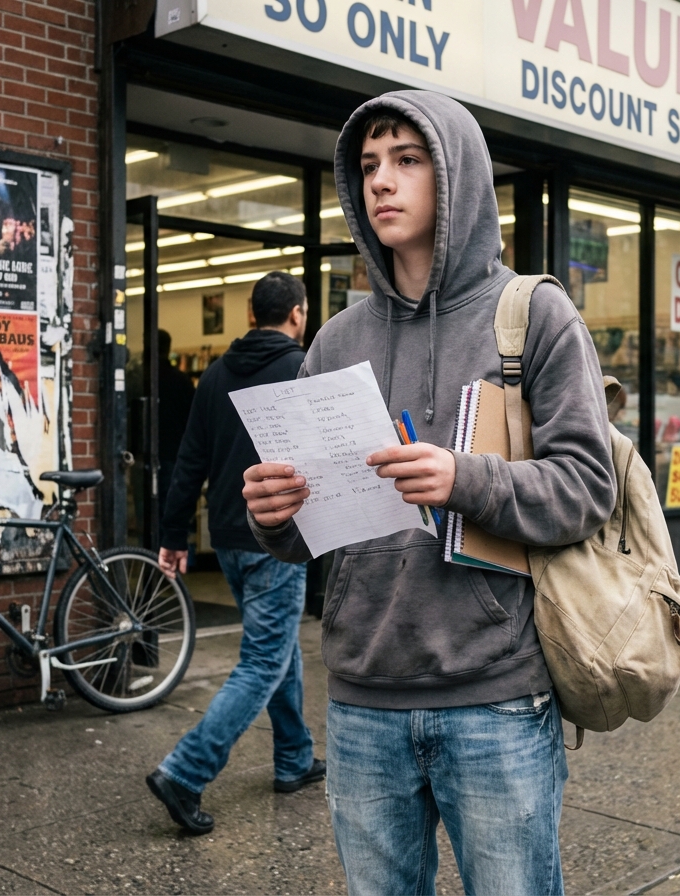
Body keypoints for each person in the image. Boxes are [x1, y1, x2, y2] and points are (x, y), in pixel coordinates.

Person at [243, 92, 615, 895]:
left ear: (459, 179)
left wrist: (464, 478)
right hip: (362, 696)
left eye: (408, 160)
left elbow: (589, 487)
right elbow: (310, 529)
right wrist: (274, 515)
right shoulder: (338, 339)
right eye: (370, 165)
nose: (383, 180)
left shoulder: (535, 316)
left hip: (496, 698)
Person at [146, 271, 322, 836]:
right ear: (297, 313)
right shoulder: (302, 369)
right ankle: (185, 771)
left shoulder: (217, 373)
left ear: (250, 315)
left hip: (226, 537)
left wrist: (174, 535)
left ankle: (294, 758)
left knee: (277, 645)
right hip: (279, 536)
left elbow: (188, 459)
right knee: (264, 659)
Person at [154, 329, 196, 512]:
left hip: (153, 451)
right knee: (171, 507)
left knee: (148, 512)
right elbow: (194, 420)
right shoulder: (182, 380)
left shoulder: (143, 379)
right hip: (175, 451)